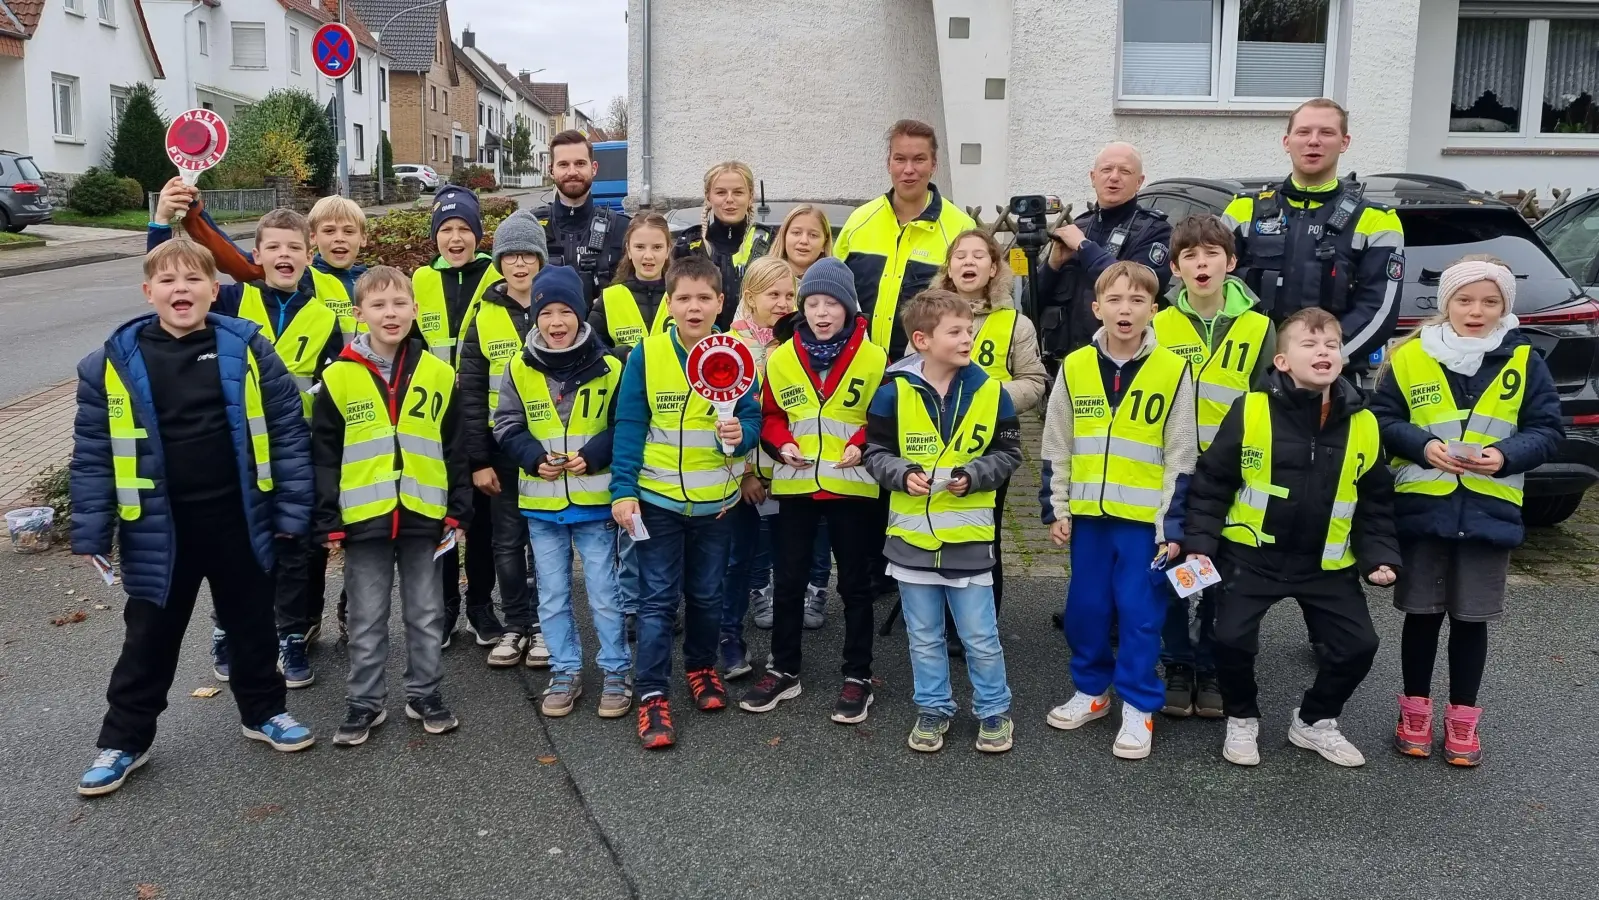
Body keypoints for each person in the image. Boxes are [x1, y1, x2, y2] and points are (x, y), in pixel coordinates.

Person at [72, 240, 316, 796]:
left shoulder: (249, 347)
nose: (180, 289)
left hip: (240, 518)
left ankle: (264, 712)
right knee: (149, 639)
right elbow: (92, 453)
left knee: (253, 625)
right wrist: (90, 528)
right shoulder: (111, 361)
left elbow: (287, 434)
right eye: (168, 281)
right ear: (148, 291)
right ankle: (124, 741)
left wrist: (294, 511)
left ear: (215, 289)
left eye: (193, 279)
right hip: (159, 530)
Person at [1183, 308, 1401, 768]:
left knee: (1359, 645)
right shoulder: (1252, 408)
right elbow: (1213, 481)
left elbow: (1376, 500)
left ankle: (1315, 721)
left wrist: (1379, 555)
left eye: (1331, 345)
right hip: (1252, 557)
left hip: (1326, 564)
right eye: (1309, 344)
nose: (1323, 352)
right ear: (1282, 362)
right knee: (1230, 639)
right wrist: (1200, 543)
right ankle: (1242, 717)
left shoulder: (1365, 422)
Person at [1371, 257, 1562, 766]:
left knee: (1471, 621)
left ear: (1504, 308)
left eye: (1489, 302)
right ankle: (1414, 711)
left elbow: (1548, 431)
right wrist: (1420, 445)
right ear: (1446, 304)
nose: (1476, 311)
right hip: (1424, 514)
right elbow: (1382, 420)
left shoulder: (1525, 361)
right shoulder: (1410, 358)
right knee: (1421, 617)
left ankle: (1463, 718)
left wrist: (1505, 457)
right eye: (1464, 300)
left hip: (1487, 518)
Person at [149, 184, 341, 690]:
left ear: (309, 255)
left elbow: (334, 390)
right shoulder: (231, 298)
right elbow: (171, 286)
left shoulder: (325, 317)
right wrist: (162, 221)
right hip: (235, 454)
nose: (284, 255)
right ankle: (226, 630)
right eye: (273, 247)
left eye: (294, 247)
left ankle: (291, 636)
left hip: (296, 451)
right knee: (237, 549)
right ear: (256, 256)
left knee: (296, 546)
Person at [1040, 261, 1197, 761]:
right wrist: (1056, 506)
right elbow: (1056, 442)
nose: (1124, 310)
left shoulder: (1173, 369)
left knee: (1140, 615)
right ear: (1096, 308)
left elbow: (1182, 452)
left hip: (1143, 524)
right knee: (1086, 611)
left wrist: (1170, 524)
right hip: (1088, 518)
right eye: (1114, 300)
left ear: (1155, 308)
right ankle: (1092, 691)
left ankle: (1138, 704)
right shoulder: (1075, 366)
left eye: (1136, 301)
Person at [608, 254, 762, 750]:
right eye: (683, 299)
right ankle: (653, 691)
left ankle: (701, 667)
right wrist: (624, 491)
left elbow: (754, 420)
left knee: (707, 595)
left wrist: (741, 435)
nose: (694, 308)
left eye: (704, 298)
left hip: (716, 505)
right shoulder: (647, 355)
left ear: (721, 302)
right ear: (669, 304)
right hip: (658, 502)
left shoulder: (738, 356)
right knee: (655, 601)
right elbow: (629, 425)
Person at [862, 288, 1022, 753]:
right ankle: (933, 709)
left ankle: (993, 712)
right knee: (924, 636)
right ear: (922, 340)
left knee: (980, 636)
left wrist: (973, 475)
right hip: (910, 543)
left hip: (969, 542)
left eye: (969, 329)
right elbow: (876, 453)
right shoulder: (892, 392)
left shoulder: (993, 392)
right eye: (956, 331)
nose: (967, 337)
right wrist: (901, 474)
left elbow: (1009, 454)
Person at [316, 266, 469, 746]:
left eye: (399, 304)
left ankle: (424, 692)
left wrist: (457, 510)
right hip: (364, 519)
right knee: (365, 615)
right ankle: (365, 701)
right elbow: (323, 453)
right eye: (378, 305)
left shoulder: (439, 374)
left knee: (426, 613)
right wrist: (329, 518)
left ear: (415, 310)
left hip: (425, 516)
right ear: (359, 314)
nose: (390, 313)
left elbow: (455, 446)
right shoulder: (338, 377)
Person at [738, 257, 887, 722]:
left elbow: (885, 419)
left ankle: (858, 676)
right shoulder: (782, 358)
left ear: (848, 307)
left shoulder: (875, 357)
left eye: (832, 304)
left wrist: (862, 446)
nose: (822, 313)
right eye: (814, 304)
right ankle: (783, 669)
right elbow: (771, 415)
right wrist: (780, 444)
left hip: (853, 488)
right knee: (789, 581)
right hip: (798, 487)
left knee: (857, 587)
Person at [1149, 214, 1276, 718]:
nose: (1201, 264)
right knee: (1175, 566)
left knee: (1225, 572)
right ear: (1176, 269)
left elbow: (1273, 401)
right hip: (1174, 472)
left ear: (1232, 262)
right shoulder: (1158, 324)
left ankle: (1213, 664)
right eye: (1190, 257)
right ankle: (1177, 661)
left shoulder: (1259, 326)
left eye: (1211, 254)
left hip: (1236, 475)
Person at [493, 266, 633, 719]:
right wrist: (532, 456)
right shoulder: (518, 366)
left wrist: (593, 455)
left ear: (581, 314)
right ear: (534, 317)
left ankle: (615, 670)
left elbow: (624, 427)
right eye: (546, 312)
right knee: (551, 595)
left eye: (565, 311)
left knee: (605, 592)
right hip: (542, 504)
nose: (556, 322)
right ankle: (565, 669)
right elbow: (507, 425)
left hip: (594, 504)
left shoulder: (611, 366)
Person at [1221, 98, 1406, 367]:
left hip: (1329, 377)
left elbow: (1378, 311)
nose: (1314, 141)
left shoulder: (1378, 221)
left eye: (1327, 133)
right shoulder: (1242, 210)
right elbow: (1211, 291)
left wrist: (1319, 360)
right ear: (1287, 141)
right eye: (1304, 132)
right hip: (1249, 368)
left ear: (1344, 142)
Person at [932, 228, 1047, 639]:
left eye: (978, 256)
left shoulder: (1015, 323)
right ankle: (939, 623)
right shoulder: (927, 316)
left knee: (984, 531)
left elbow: (1034, 381)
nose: (968, 262)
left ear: (994, 267)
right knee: (939, 526)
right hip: (935, 441)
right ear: (948, 266)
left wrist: (989, 399)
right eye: (959, 255)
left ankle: (979, 627)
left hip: (990, 446)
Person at [414, 185, 506, 648]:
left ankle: (480, 605)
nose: (455, 238)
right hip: (430, 420)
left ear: (478, 234)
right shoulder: (419, 282)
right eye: (446, 229)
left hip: (483, 416)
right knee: (441, 515)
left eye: (464, 229)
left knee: (484, 519)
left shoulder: (497, 277)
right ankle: (445, 606)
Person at [457, 210, 549, 669]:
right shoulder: (484, 316)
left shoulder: (558, 308)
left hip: (551, 451)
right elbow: (471, 393)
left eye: (527, 255)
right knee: (507, 542)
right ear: (498, 261)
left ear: (540, 260)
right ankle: (516, 626)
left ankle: (544, 627)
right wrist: (478, 459)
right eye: (510, 255)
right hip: (502, 453)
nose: (518, 264)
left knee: (546, 544)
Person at [835, 119, 975, 360]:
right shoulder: (859, 220)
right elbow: (833, 293)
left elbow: (972, 309)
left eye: (919, 159)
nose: (908, 169)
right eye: (900, 159)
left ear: (934, 165)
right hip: (855, 366)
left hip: (927, 371)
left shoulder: (960, 228)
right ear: (888, 163)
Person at [718, 257, 796, 679]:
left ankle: (783, 648)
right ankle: (729, 638)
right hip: (745, 475)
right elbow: (729, 415)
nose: (783, 303)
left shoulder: (797, 344)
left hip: (788, 470)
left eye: (789, 295)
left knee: (785, 559)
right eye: (773, 295)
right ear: (750, 297)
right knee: (739, 559)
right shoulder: (732, 347)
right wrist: (746, 471)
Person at [1034, 142, 1173, 363]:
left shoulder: (1155, 230)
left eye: (1125, 171)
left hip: (1124, 362)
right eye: (1106, 170)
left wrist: (1084, 248)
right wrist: (1052, 266)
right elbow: (1030, 302)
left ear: (1139, 182)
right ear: (1093, 177)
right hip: (1066, 364)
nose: (1114, 177)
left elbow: (1136, 285)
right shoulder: (1079, 226)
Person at [672, 161, 778, 329]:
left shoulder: (769, 243)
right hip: (700, 347)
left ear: (750, 197)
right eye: (721, 192)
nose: (729, 199)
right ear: (708, 197)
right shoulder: (689, 246)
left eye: (738, 192)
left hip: (757, 347)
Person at [534, 130, 630, 304]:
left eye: (580, 163)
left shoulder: (622, 229)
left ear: (593, 168)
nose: (572, 172)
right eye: (563, 164)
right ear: (551, 170)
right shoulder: (532, 227)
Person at [590, 213, 675, 351]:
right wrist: (621, 354)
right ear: (629, 250)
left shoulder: (682, 295)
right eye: (640, 247)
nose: (648, 256)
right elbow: (592, 348)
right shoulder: (610, 298)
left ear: (667, 251)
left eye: (657, 247)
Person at [306, 195, 370, 342]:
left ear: (363, 238)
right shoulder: (305, 279)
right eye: (329, 231)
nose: (339, 238)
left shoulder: (374, 282)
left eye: (348, 231)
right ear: (313, 237)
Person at [768, 204, 834, 278]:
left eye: (813, 235)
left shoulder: (836, 283)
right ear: (784, 236)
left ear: (824, 244)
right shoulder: (762, 279)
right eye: (796, 233)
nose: (804, 241)